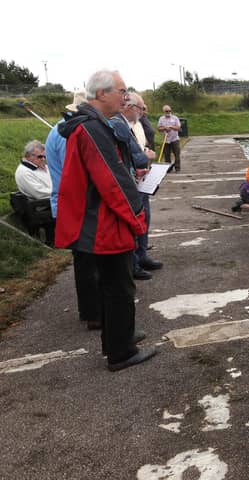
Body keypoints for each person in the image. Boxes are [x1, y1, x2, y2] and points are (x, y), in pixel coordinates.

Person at [55, 69, 156, 372]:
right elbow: (111, 180)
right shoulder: (92, 129)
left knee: (113, 285)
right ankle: (121, 352)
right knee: (119, 287)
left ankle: (118, 337)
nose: (126, 98)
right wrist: (137, 215)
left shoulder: (89, 125)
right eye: (122, 91)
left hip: (98, 219)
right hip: (104, 223)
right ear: (101, 94)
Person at [45, 90, 103, 330]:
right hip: (76, 206)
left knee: (86, 262)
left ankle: (91, 310)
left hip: (70, 205)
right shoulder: (70, 132)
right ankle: (93, 313)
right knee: (88, 262)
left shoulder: (61, 128)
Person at [111, 92, 162, 280]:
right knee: (136, 222)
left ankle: (141, 257)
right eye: (141, 109)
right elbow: (130, 157)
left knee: (144, 220)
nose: (142, 113)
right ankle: (134, 263)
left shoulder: (129, 125)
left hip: (138, 180)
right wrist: (146, 156)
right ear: (131, 107)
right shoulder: (119, 125)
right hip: (132, 184)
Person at [157, 104, 181, 171]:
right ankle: (168, 168)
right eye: (166, 111)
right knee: (167, 155)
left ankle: (177, 168)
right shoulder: (161, 119)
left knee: (177, 154)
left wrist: (171, 127)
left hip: (175, 139)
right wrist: (164, 128)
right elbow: (158, 128)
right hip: (166, 140)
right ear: (164, 111)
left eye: (169, 111)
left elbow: (178, 128)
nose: (168, 112)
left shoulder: (175, 118)